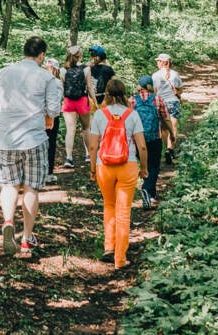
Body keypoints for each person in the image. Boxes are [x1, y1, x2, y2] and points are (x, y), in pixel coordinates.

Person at [0, 36, 62, 255]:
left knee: (8, 185)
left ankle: (8, 221)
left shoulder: (5, 72)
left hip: (6, 139)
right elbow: (54, 110)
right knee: (31, 188)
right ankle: (27, 238)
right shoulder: (45, 77)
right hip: (34, 140)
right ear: (42, 55)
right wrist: (48, 115)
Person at [86, 78, 148, 269]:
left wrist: (93, 169)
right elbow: (142, 146)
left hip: (104, 165)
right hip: (127, 165)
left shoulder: (99, 115)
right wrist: (144, 168)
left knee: (109, 205)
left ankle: (109, 247)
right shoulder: (132, 115)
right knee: (124, 211)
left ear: (106, 94)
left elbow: (93, 145)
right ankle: (120, 259)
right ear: (124, 94)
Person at [132, 75, 175, 209]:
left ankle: (150, 192)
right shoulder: (157, 99)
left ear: (139, 86)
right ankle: (148, 190)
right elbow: (166, 119)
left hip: (137, 139)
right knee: (154, 166)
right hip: (154, 138)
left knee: (144, 164)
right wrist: (172, 134)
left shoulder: (131, 101)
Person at [60, 45, 98, 168]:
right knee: (86, 129)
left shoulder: (63, 70)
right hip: (82, 100)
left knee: (70, 130)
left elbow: (61, 88)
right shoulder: (86, 69)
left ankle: (69, 158)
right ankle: (89, 155)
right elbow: (90, 87)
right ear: (80, 56)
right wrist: (96, 102)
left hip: (68, 101)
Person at [153, 53, 184, 164]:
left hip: (161, 103)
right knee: (173, 126)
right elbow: (180, 90)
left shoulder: (155, 76)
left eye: (158, 61)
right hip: (173, 102)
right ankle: (170, 149)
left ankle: (167, 148)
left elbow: (154, 92)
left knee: (164, 128)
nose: (157, 63)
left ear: (161, 62)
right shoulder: (175, 74)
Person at [43, 57, 62, 185]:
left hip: (39, 116)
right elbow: (56, 101)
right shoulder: (57, 83)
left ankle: (44, 172)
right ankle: (48, 173)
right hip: (51, 116)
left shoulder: (40, 80)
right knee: (50, 144)